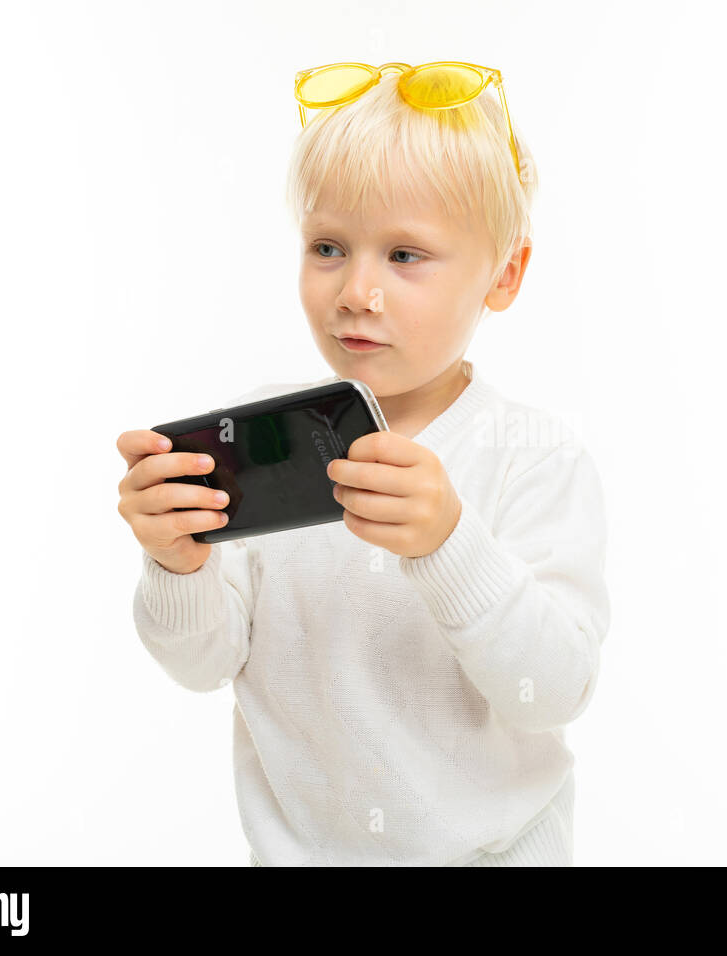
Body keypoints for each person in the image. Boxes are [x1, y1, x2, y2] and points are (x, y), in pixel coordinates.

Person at [114, 62, 609, 866]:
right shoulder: (264, 441)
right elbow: (203, 664)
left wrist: (451, 544)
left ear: (505, 275)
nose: (357, 292)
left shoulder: (533, 460)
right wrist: (176, 565)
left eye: (405, 255)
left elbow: (556, 689)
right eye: (329, 246)